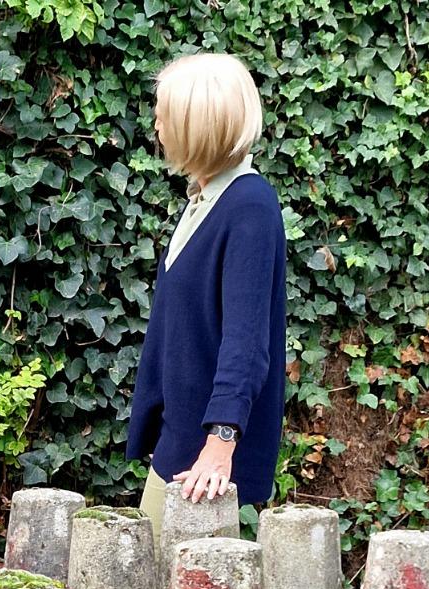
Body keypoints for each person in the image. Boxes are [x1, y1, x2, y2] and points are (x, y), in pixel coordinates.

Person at [126, 53, 287, 540]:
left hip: (204, 466)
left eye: (165, 112)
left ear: (199, 126)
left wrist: (220, 443)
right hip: (179, 444)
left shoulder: (249, 207)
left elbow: (245, 339)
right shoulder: (205, 200)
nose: (156, 122)